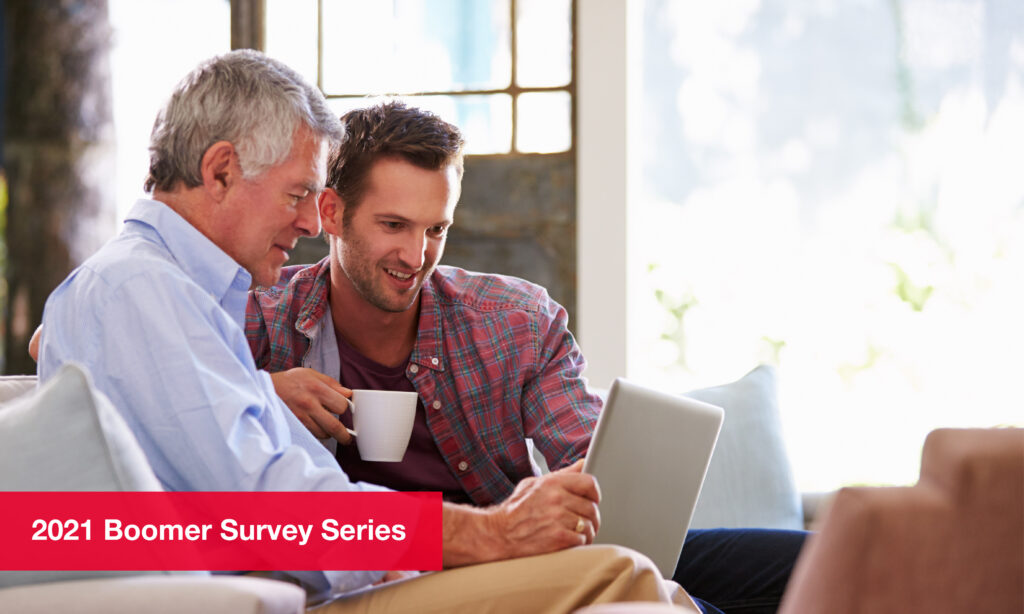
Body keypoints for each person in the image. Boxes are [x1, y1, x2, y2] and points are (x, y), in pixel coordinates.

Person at [35, 50, 694, 612]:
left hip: (288, 581)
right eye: (298, 195)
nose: (305, 226)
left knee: (638, 578)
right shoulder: (144, 292)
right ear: (221, 171)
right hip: (265, 594)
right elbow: (279, 511)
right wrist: (493, 533)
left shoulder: (166, 292)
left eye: (434, 229)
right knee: (623, 576)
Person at [246, 101, 808, 614]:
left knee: (809, 562)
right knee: (643, 584)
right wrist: (264, 396)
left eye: (436, 229)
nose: (416, 256)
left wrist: (578, 489)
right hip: (391, 575)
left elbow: (584, 453)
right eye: (393, 225)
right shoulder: (259, 323)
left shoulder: (514, 320)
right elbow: (210, 495)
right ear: (332, 213)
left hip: (522, 554)